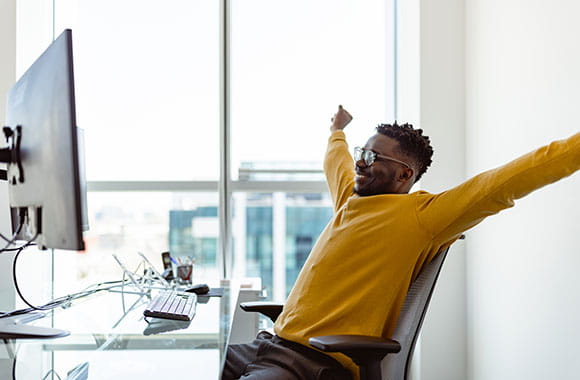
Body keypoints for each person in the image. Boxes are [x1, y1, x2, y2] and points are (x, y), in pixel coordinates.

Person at [222, 105, 580, 380]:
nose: (360, 164)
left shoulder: (422, 216)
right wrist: (337, 131)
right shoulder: (351, 199)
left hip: (314, 364)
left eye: (371, 158)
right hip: (270, 344)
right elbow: (336, 162)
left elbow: (509, 180)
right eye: (362, 153)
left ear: (404, 174)